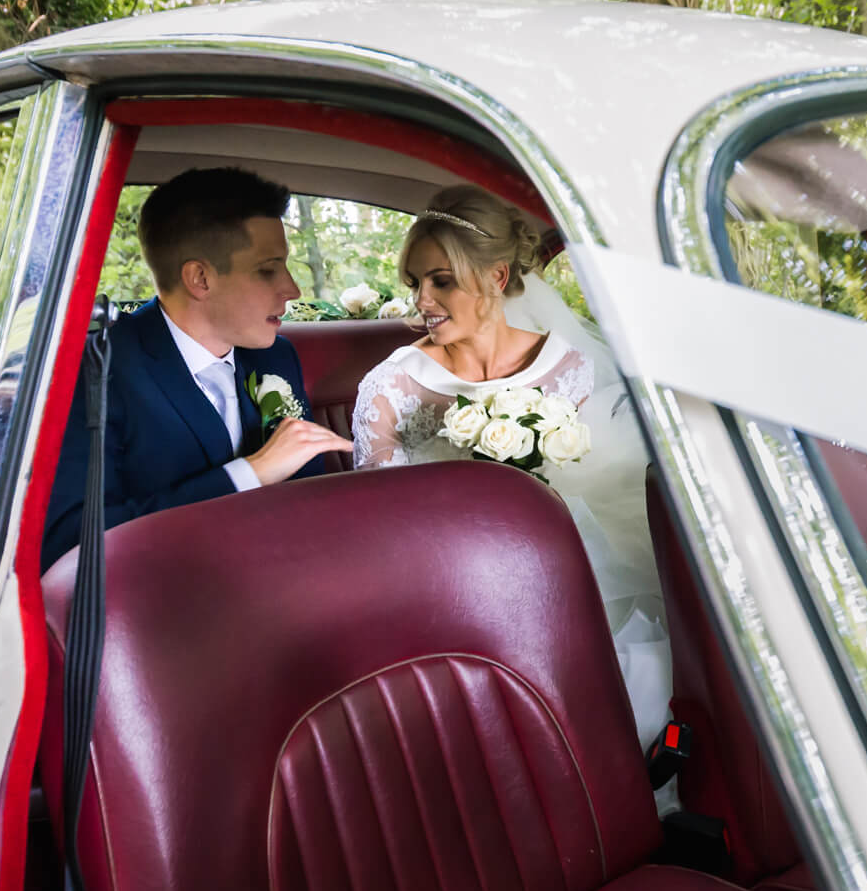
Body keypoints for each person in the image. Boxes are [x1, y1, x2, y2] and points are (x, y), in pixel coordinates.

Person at [352, 185, 674, 796]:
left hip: (575, 568)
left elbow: (600, 480)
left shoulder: (571, 366)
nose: (421, 300)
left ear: (497, 276)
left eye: (441, 281)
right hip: (444, 591)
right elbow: (379, 537)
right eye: (415, 280)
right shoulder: (391, 387)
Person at [41, 167, 350, 570]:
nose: (292, 289)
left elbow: (309, 497)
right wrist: (249, 473)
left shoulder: (275, 356)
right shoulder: (97, 370)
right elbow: (70, 541)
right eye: (268, 268)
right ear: (200, 278)